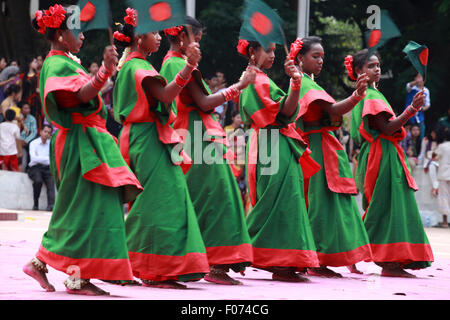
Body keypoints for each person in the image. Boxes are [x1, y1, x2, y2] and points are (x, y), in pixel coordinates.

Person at [23, 4, 143, 296]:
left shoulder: (66, 59)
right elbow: (78, 94)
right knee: (82, 209)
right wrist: (104, 72)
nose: (82, 36)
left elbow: (85, 91)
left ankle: (52, 265)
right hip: (79, 142)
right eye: (76, 31)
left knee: (90, 208)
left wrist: (106, 71)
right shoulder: (55, 63)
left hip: (90, 140)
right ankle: (72, 274)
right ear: (61, 34)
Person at [113, 8, 209, 289]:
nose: (158, 37)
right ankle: (148, 267)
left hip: (151, 137)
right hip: (147, 138)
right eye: (154, 33)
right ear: (140, 37)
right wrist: (188, 68)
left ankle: (152, 266)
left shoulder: (137, 64)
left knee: (165, 200)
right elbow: (166, 96)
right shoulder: (137, 67)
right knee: (158, 203)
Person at [160, 19, 255, 285]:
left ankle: (205, 260)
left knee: (212, 195)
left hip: (198, 132)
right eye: (196, 39)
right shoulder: (176, 63)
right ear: (181, 39)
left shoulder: (174, 62)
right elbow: (203, 102)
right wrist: (239, 86)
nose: (198, 44)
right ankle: (210, 262)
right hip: (195, 134)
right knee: (214, 196)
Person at [237, 38, 321, 282]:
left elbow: (286, 111)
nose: (273, 55)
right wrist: (294, 85)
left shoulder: (262, 78)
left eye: (275, 50)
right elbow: (280, 114)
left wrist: (295, 84)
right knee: (275, 203)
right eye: (268, 50)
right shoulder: (253, 79)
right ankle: (232, 253)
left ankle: (284, 262)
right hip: (271, 143)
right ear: (253, 52)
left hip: (279, 143)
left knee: (287, 202)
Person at [289, 37, 372, 278]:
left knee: (330, 205)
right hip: (316, 148)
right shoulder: (303, 84)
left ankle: (329, 257)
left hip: (324, 146)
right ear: (300, 59)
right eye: (315, 56)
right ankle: (317, 259)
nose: (320, 61)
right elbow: (333, 110)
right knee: (319, 205)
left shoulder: (309, 83)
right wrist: (356, 96)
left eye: (322, 56)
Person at [349, 48, 434, 277]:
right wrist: (412, 109)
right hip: (381, 154)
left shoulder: (368, 94)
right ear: (358, 71)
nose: (376, 69)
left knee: (386, 206)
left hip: (380, 153)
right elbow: (387, 128)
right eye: (370, 66)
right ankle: (383, 260)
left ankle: (372, 255)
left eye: (377, 65)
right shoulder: (370, 96)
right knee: (387, 207)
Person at [27, 125, 55, 211]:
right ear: (40, 132)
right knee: (38, 181)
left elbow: (52, 160)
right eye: (45, 131)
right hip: (35, 168)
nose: (46, 134)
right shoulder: (33, 143)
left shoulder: (51, 144)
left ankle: (51, 205)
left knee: (51, 182)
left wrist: (41, 159)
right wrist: (46, 159)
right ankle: (35, 203)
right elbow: (33, 158)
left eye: (49, 133)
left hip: (47, 168)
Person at [405, 73, 430, 141]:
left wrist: (421, 108)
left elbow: (427, 105)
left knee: (421, 137)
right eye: (417, 77)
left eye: (421, 77)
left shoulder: (426, 91)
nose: (419, 79)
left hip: (420, 117)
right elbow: (408, 85)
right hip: (409, 116)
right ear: (415, 78)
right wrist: (417, 81)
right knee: (408, 136)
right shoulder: (411, 88)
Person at [433, 129, 450, 228]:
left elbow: (435, 157)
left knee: (444, 197)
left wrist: (434, 149)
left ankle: (445, 222)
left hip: (444, 174)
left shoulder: (442, 146)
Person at [18, 101, 38, 171]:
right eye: (25, 108)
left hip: (27, 141)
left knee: (31, 146)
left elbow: (34, 132)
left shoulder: (32, 118)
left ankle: (28, 168)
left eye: (28, 108)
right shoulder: (17, 117)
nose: (28, 110)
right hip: (17, 140)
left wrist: (26, 141)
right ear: (21, 109)